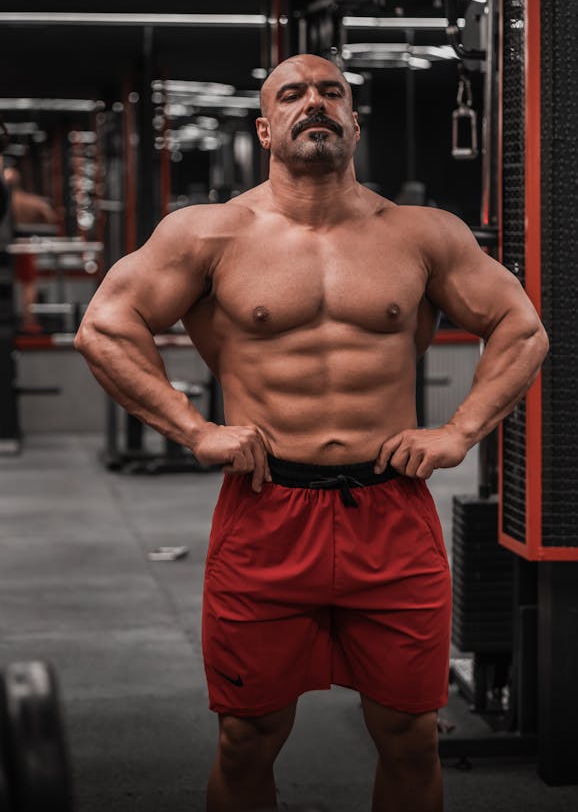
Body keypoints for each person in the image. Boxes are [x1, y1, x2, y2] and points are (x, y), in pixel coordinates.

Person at [74, 52, 549, 812]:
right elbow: (103, 327)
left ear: (354, 122)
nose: (314, 102)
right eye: (292, 94)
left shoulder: (422, 233)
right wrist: (194, 429)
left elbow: (521, 328)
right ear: (266, 128)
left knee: (411, 733)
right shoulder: (210, 233)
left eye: (332, 92)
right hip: (267, 512)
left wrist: (459, 432)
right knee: (247, 735)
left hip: (390, 513)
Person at [2, 164, 58, 333]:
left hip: (16, 247)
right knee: (27, 285)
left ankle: (28, 321)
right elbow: (51, 217)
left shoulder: (19, 201)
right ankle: (28, 320)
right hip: (19, 246)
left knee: (26, 285)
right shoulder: (30, 202)